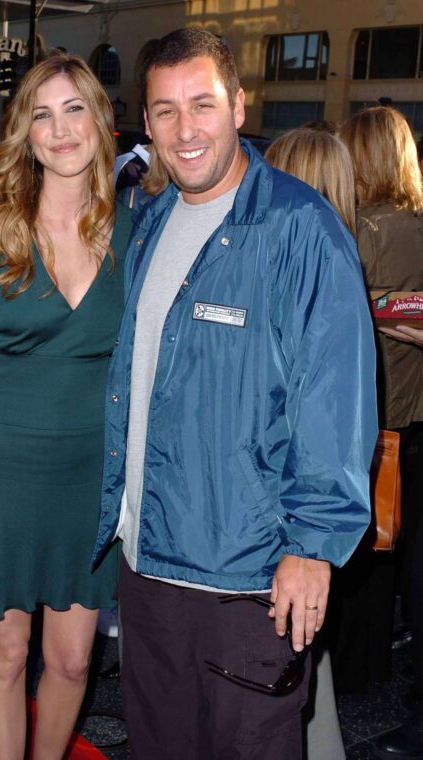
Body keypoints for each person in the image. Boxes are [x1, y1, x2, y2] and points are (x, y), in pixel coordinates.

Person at [92, 28, 377, 760]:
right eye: (164, 111)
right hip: (148, 561)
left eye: (203, 104)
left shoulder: (300, 229)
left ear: (239, 106)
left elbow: (335, 399)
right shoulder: (151, 223)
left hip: (247, 577)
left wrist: (314, 546)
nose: (185, 130)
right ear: (145, 123)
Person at [0, 53, 132, 760]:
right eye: (42, 113)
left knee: (72, 662)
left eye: (75, 110)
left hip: (85, 477)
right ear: (25, 133)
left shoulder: (135, 234)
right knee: (5, 658)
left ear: (100, 124)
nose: (60, 128)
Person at [265, 125, 359, 760]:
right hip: (312, 512)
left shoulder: (305, 257)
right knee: (305, 658)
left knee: (288, 656)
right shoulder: (345, 248)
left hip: (288, 504)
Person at [339, 106, 423, 758]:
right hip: (418, 421)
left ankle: (362, 676)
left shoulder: (358, 231)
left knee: (368, 553)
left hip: (377, 423)